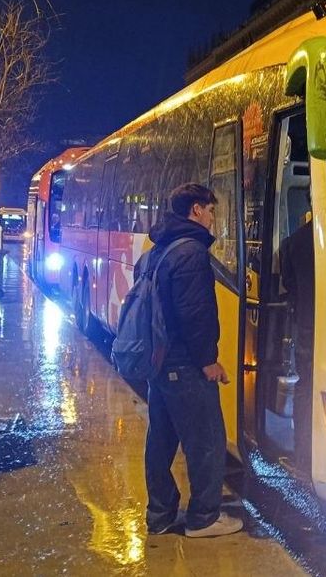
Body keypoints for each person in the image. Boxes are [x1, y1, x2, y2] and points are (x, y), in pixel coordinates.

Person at [142, 183, 243, 539]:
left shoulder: (162, 247)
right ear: (196, 210)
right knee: (208, 440)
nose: (214, 218)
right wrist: (208, 362)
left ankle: (160, 513)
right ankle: (203, 517)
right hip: (184, 363)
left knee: (161, 440)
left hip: (159, 360)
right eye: (211, 210)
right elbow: (194, 314)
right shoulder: (191, 254)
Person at [278, 211, 315, 472]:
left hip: (306, 326)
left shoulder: (293, 242)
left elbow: (289, 285)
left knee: (305, 388)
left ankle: (302, 455)